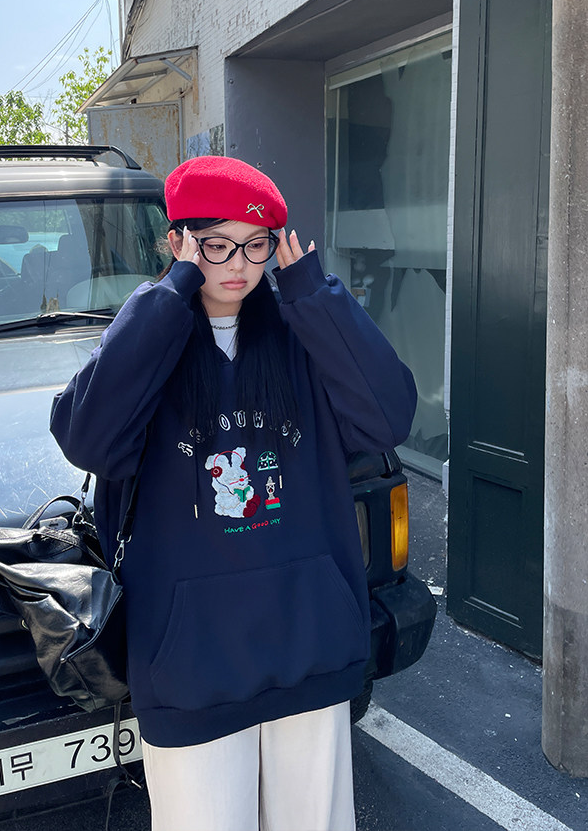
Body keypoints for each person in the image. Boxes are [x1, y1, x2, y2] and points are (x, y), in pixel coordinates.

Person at [50, 155, 417, 831]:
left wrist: (313, 293)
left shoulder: (303, 335)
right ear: (178, 242)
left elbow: (388, 417)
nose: (238, 265)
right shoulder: (150, 340)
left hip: (308, 648)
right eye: (215, 244)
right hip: (191, 668)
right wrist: (170, 296)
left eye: (255, 245)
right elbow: (88, 438)